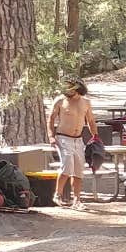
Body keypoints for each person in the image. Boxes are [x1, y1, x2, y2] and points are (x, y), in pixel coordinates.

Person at [48, 79, 98, 209]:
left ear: (77, 89)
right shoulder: (60, 100)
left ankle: (77, 200)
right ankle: (57, 195)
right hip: (63, 137)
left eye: (70, 88)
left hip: (78, 139)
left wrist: (95, 137)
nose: (67, 91)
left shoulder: (85, 102)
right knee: (67, 165)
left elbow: (91, 121)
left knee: (78, 169)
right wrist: (51, 136)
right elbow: (51, 118)